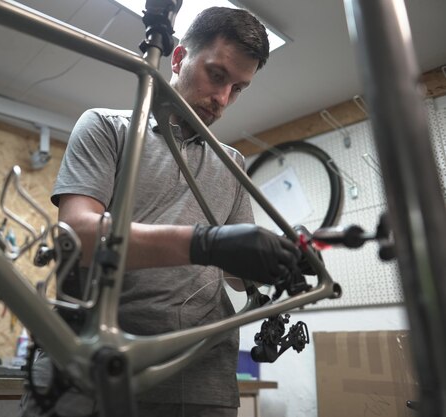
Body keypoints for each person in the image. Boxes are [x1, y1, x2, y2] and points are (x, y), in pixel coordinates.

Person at [26, 6, 302, 417]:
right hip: (91, 369)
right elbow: (78, 235)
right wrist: (204, 243)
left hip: (199, 379)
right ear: (177, 59)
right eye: (217, 75)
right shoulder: (106, 128)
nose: (223, 99)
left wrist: (277, 261)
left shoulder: (232, 163)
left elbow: (238, 277)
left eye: (239, 88)